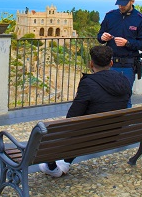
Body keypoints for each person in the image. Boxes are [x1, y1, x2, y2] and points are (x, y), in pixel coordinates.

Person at [38, 45, 132, 177]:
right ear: (111, 63)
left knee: (68, 129)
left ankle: (53, 166)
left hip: (89, 137)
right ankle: (64, 163)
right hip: (115, 133)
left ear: (91, 63)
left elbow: (72, 116)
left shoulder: (88, 83)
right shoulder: (124, 80)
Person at [97, 0, 142, 107]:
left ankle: (124, 124)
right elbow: (99, 36)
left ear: (132, 1)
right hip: (109, 64)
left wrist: (127, 43)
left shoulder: (140, 20)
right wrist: (103, 37)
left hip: (127, 66)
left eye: (124, 4)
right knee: (107, 97)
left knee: (124, 98)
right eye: (119, 3)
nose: (121, 6)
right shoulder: (110, 16)